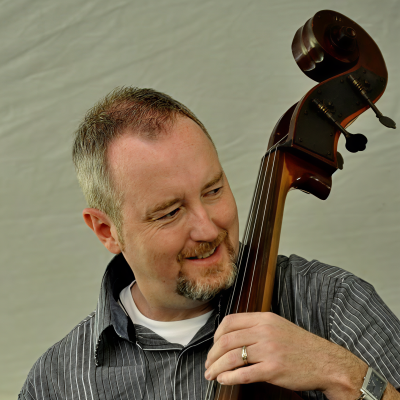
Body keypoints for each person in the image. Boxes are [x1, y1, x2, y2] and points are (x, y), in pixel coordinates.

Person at [20, 87, 400, 400]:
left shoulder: (333, 304)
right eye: (170, 212)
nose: (208, 228)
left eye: (213, 190)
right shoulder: (57, 382)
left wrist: (342, 374)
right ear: (106, 230)